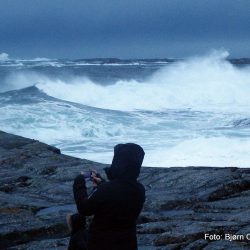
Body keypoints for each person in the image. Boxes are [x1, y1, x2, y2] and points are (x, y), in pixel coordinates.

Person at [69, 143, 145, 250]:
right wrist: (102, 183)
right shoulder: (139, 189)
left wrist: (79, 182)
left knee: (76, 224)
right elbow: (119, 192)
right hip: (128, 244)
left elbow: (84, 209)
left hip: (101, 244)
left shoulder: (107, 189)